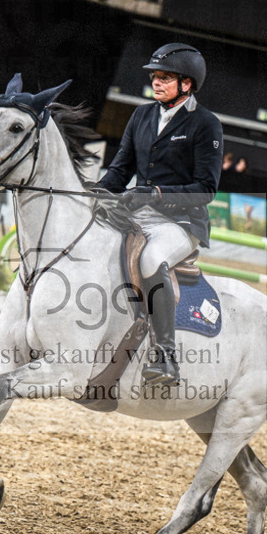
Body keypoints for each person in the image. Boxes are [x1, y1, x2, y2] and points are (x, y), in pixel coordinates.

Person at [95, 42, 224, 386]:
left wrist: (156, 194)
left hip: (182, 222)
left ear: (186, 83)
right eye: (155, 76)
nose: (156, 82)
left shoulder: (205, 124)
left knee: (151, 260)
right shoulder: (141, 115)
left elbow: (206, 189)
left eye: (165, 77)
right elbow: (120, 171)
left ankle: (165, 355)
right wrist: (96, 191)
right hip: (138, 214)